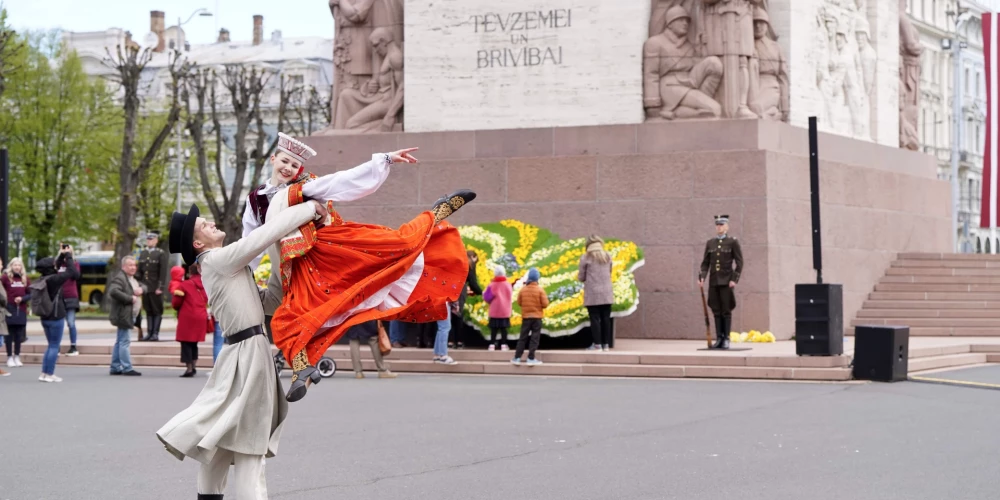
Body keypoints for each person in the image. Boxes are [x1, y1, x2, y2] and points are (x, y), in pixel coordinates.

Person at [243, 132, 473, 402]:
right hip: (292, 268)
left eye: (294, 165)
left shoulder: (304, 188)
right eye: (284, 161)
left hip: (330, 250)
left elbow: (343, 180)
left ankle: (436, 213)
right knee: (290, 316)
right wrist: (240, 273)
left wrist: (385, 159)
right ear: (273, 159)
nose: (288, 168)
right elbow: (249, 240)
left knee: (398, 244)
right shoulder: (256, 198)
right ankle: (301, 369)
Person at [157, 199, 327, 499]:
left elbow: (269, 302)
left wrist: (282, 261)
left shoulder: (221, 264)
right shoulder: (218, 259)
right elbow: (264, 235)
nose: (210, 223)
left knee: (224, 440)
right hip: (248, 353)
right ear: (198, 242)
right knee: (250, 444)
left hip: (243, 352)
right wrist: (309, 208)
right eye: (203, 225)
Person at [32, 248, 80, 383]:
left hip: (45, 317)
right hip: (56, 316)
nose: (56, 265)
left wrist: (62, 255)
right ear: (50, 267)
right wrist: (69, 255)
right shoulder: (54, 280)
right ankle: (50, 374)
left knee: (50, 345)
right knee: (54, 346)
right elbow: (71, 272)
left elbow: (56, 267)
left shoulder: (42, 279)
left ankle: (44, 373)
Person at [698, 214, 744, 350]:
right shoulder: (710, 243)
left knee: (726, 310)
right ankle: (719, 338)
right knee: (716, 310)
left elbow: (740, 262)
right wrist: (702, 276)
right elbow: (705, 263)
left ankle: (726, 339)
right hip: (714, 281)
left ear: (727, 226)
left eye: (722, 225)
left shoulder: (732, 242)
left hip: (726, 281)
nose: (719, 227)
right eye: (717, 225)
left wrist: (734, 279)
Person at [106, 256, 144, 376]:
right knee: (124, 342)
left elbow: (144, 286)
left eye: (134, 265)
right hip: (123, 315)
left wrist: (142, 289)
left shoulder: (132, 278)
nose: (133, 267)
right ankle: (127, 368)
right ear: (123, 267)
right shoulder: (120, 278)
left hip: (129, 314)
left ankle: (115, 367)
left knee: (120, 341)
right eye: (130, 265)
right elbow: (113, 291)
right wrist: (129, 298)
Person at [172, 262, 209, 378]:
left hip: (187, 316)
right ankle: (194, 365)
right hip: (201, 315)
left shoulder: (185, 284)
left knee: (186, 343)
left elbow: (176, 302)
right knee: (194, 343)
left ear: (189, 272)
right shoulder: (206, 284)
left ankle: (189, 368)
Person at [579, 235, 614, 351]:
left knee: (595, 319)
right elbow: (610, 271)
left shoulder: (586, 257)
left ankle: (597, 344)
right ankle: (606, 345)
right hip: (606, 292)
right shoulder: (607, 256)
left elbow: (581, 276)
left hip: (593, 293)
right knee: (606, 319)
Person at [511, 268, 548, 366]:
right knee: (534, 338)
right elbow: (545, 304)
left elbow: (519, 302)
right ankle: (531, 358)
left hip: (526, 317)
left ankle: (517, 357)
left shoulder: (523, 290)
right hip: (537, 317)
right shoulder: (540, 290)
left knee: (522, 337)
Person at [138, 231, 169, 341]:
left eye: (151, 239)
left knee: (156, 310)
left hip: (155, 287)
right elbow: (140, 271)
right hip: (145, 287)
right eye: (148, 239)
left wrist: (160, 287)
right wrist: (139, 284)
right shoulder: (143, 253)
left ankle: (155, 333)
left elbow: (163, 271)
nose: (149, 241)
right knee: (148, 310)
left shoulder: (160, 253)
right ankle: (149, 333)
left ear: (156, 240)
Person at [451, 250, 483, 348]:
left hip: (449, 289)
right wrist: (481, 292)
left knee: (450, 317)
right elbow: (473, 282)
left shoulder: (456, 261)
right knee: (458, 316)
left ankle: (450, 341)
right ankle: (459, 341)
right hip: (460, 291)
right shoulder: (469, 263)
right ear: (473, 257)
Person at [2, 258, 29, 368]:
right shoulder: (5, 278)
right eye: (15, 265)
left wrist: (22, 299)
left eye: (19, 265)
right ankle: (9, 357)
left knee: (19, 335)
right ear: (11, 266)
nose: (17, 267)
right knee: (9, 334)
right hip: (9, 308)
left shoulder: (25, 279)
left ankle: (17, 356)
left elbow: (30, 294)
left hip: (21, 310)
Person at [57, 245, 82, 356]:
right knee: (58, 324)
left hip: (71, 296)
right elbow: (54, 269)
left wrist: (69, 258)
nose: (67, 253)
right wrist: (62, 255)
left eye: (69, 252)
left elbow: (75, 275)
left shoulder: (74, 264)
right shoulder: (58, 264)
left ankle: (73, 347)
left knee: (71, 323)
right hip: (59, 297)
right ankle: (56, 346)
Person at [483, 265, 513, 351]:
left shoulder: (492, 285)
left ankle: (492, 344)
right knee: (504, 329)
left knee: (494, 329)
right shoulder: (508, 285)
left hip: (494, 311)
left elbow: (486, 297)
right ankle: (504, 344)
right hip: (505, 311)